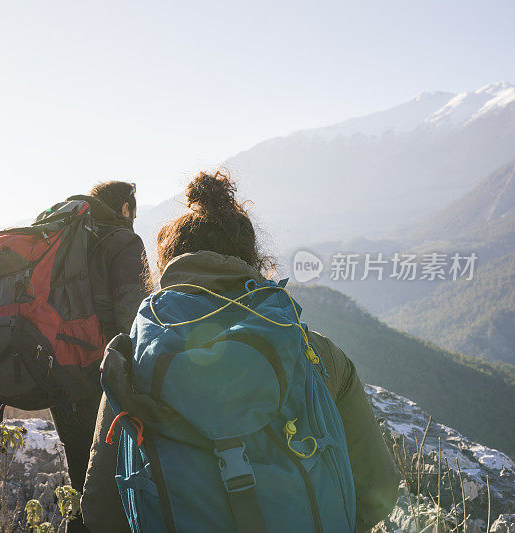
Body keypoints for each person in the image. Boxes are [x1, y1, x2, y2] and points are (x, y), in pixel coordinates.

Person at [81, 171, 400, 532]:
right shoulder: (316, 355)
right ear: (253, 259)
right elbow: (379, 489)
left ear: (167, 267)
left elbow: (100, 508)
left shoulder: (132, 362)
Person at [51, 181, 151, 532]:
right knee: (112, 484)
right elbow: (136, 319)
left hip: (59, 371)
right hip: (100, 377)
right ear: (125, 208)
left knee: (79, 476)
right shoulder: (125, 242)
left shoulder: (69, 240)